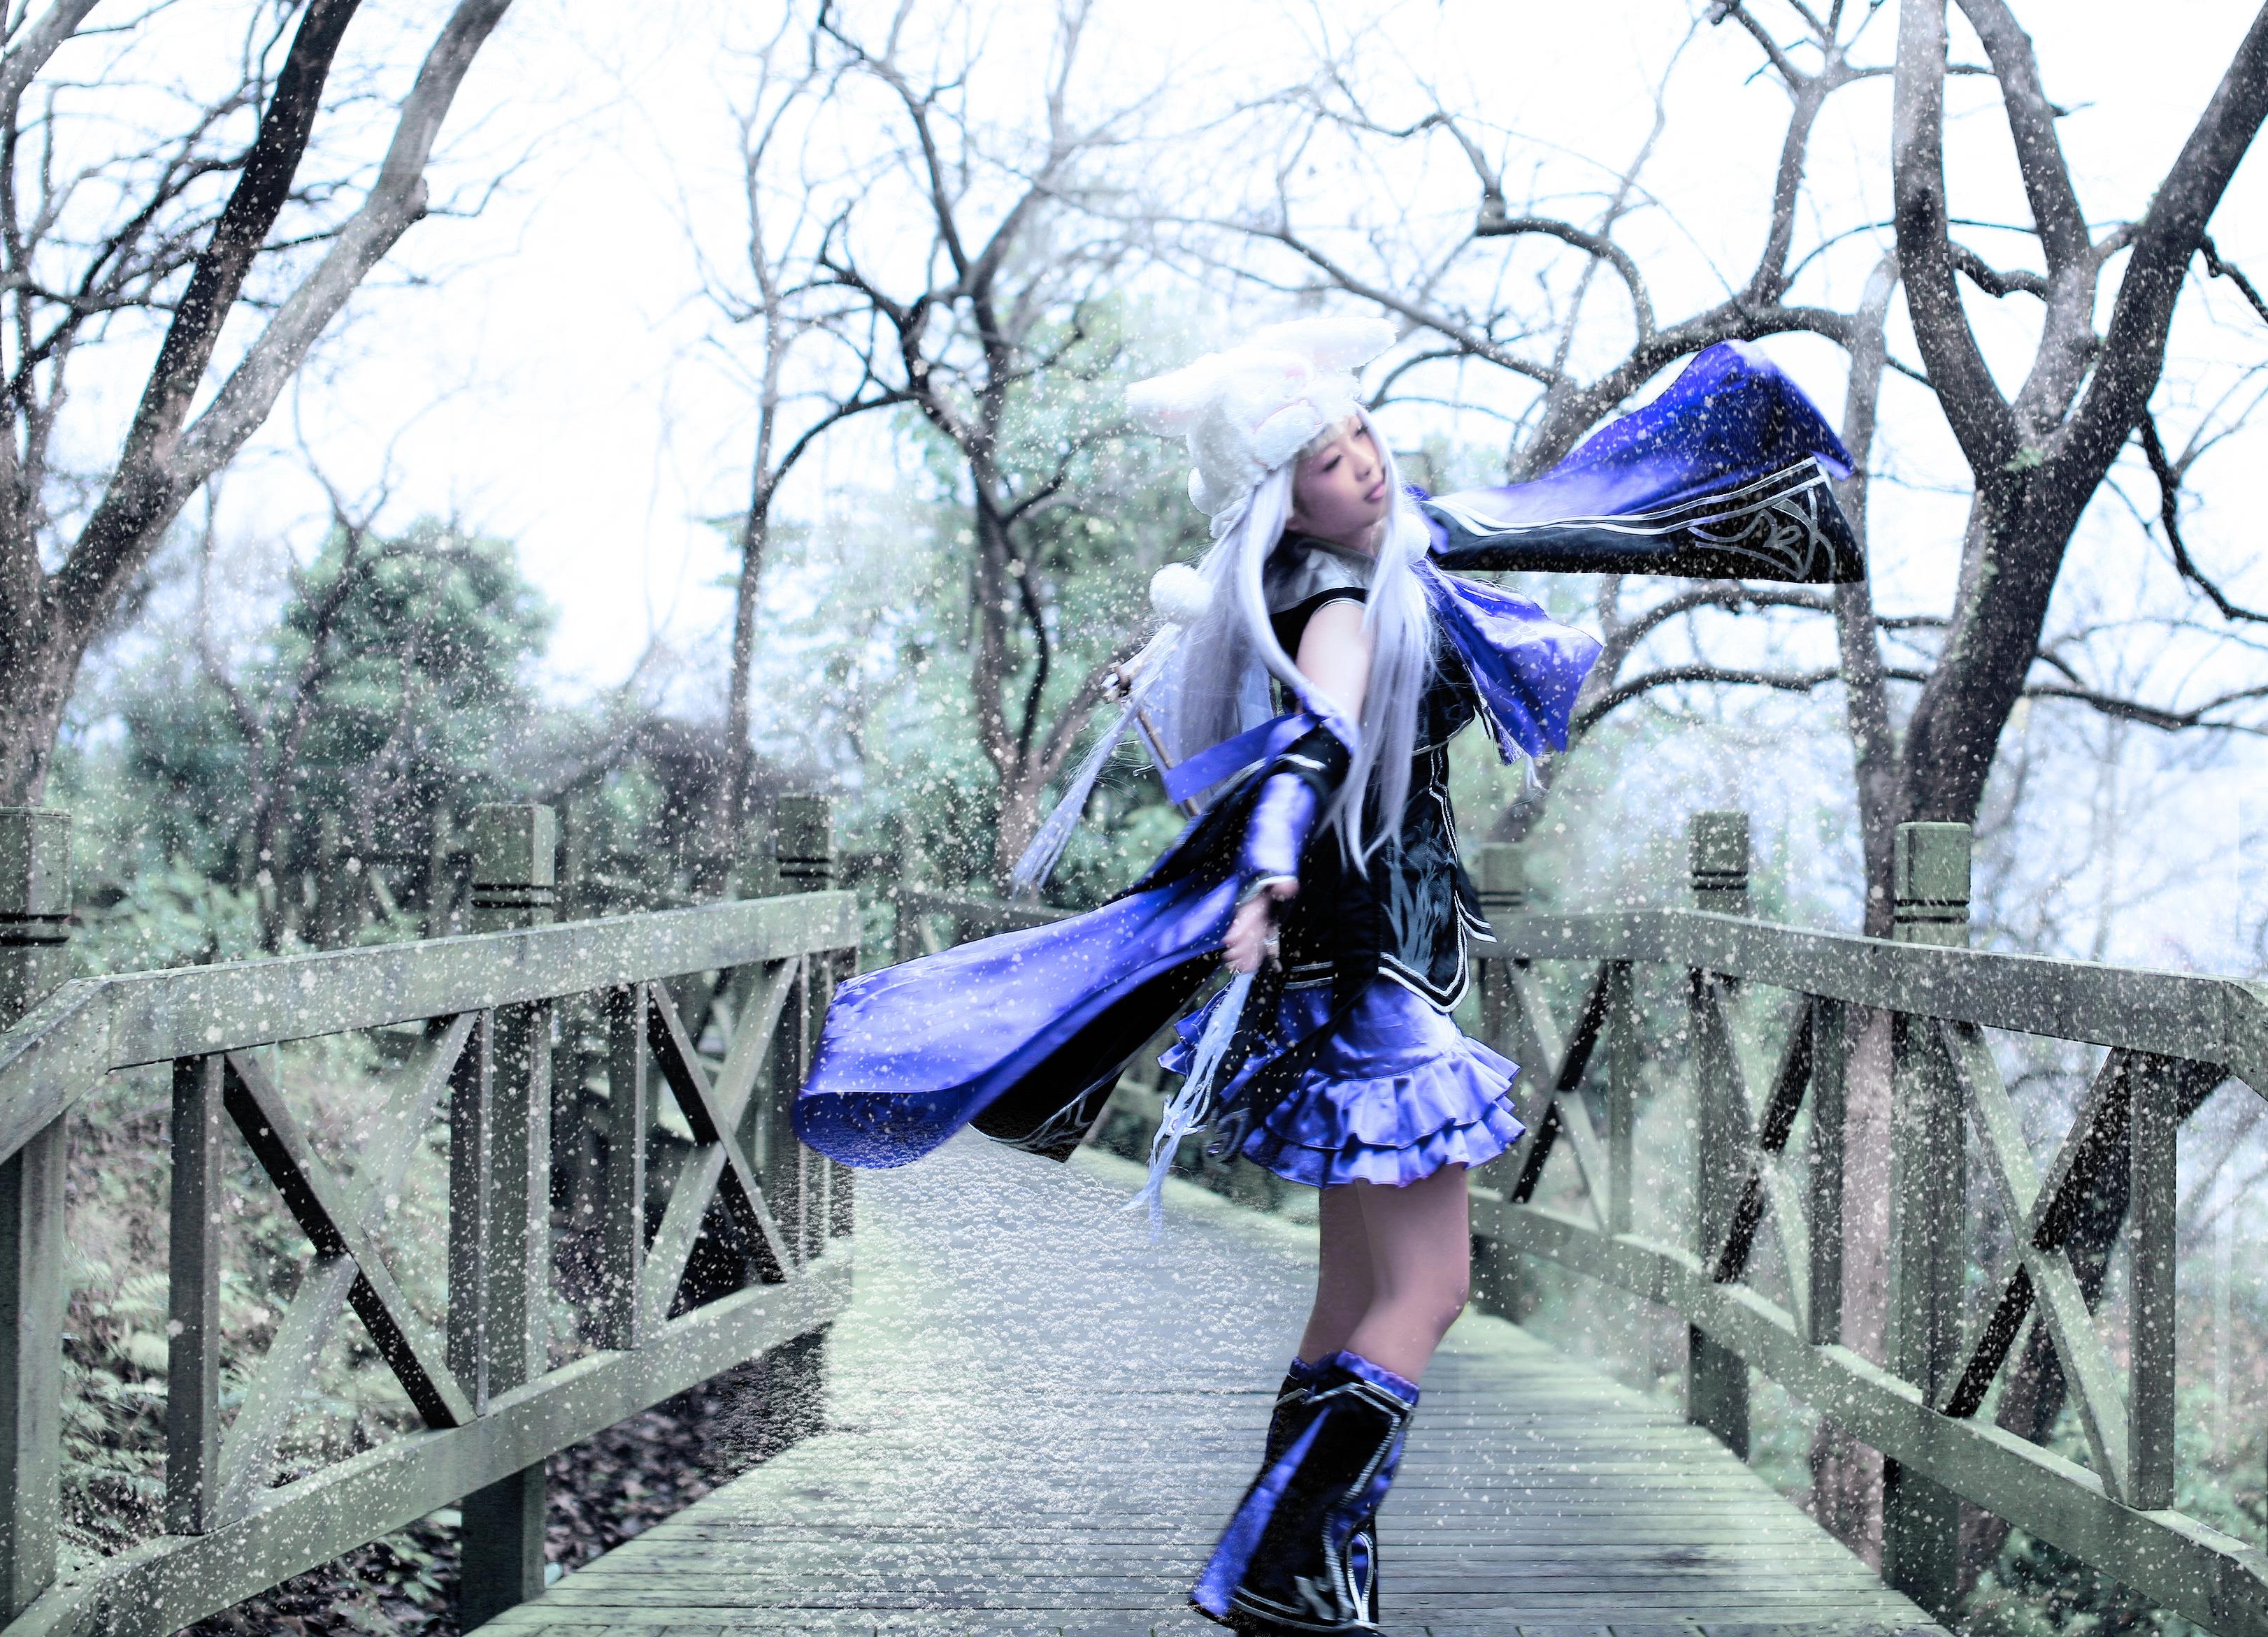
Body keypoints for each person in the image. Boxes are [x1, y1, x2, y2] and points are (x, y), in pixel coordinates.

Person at [794, 313, 1865, 1634]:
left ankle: (1291, 1562)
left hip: (1346, 982)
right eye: (1325, 461)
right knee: (1429, 1290)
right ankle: (1288, 1567)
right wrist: (1266, 868)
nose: (1363, 464)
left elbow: (1315, 729)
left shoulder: (1363, 571)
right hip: (1376, 990)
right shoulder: (1345, 605)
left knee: (1354, 1295)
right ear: (1282, 506)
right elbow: (1319, 743)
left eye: (1361, 434)